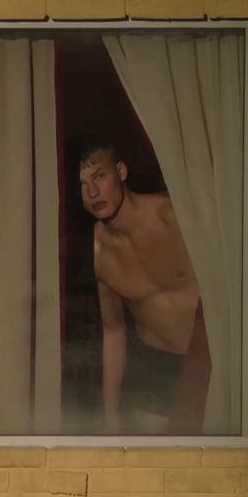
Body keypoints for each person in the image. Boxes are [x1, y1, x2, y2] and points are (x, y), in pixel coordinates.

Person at [75, 135, 209, 434]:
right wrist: (110, 416)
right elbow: (113, 332)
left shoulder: (173, 216)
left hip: (207, 359)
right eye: (83, 184)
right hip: (155, 365)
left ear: (121, 171)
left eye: (99, 176)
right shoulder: (100, 252)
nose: (92, 192)